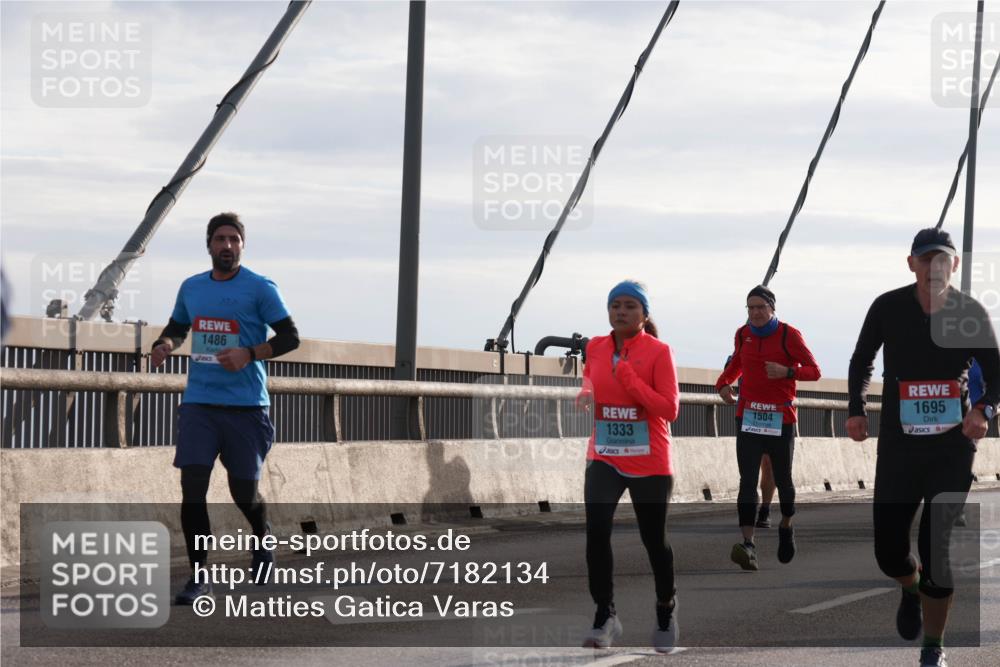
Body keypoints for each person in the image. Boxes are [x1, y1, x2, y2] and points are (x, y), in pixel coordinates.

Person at [847, 228, 998, 667]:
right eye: (926, 259)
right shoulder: (888, 306)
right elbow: (861, 358)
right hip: (899, 444)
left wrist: (984, 411)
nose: (935, 267)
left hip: (952, 447)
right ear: (911, 264)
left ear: (953, 265)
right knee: (888, 550)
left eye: (943, 260)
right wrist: (856, 408)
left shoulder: (969, 312)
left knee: (938, 547)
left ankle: (933, 646)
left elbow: (996, 373)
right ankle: (910, 588)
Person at [151, 212, 300, 605]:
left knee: (243, 493)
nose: (227, 246)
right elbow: (178, 326)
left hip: (245, 407)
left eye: (234, 239)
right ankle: (199, 578)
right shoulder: (192, 287)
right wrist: (165, 344)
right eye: (220, 239)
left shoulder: (260, 288)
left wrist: (250, 353)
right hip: (199, 403)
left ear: (242, 246)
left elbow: (290, 337)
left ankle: (261, 532)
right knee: (193, 490)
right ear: (209, 245)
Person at [577, 280, 680, 652]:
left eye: (630, 306)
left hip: (649, 458)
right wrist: (586, 391)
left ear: (644, 314)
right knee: (596, 529)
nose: (621, 311)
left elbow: (669, 409)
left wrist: (630, 380)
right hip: (605, 453)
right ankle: (605, 613)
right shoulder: (596, 346)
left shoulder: (658, 352)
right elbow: (591, 377)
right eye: (615, 305)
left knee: (654, 540)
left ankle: (666, 607)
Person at [715, 285, 821, 570]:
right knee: (747, 481)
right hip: (748, 417)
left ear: (772, 309)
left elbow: (815, 371)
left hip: (780, 419)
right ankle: (748, 544)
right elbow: (737, 362)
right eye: (750, 308)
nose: (756, 313)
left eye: (761, 307)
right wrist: (723, 384)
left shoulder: (789, 334)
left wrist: (788, 371)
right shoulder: (743, 334)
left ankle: (786, 525)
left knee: (783, 479)